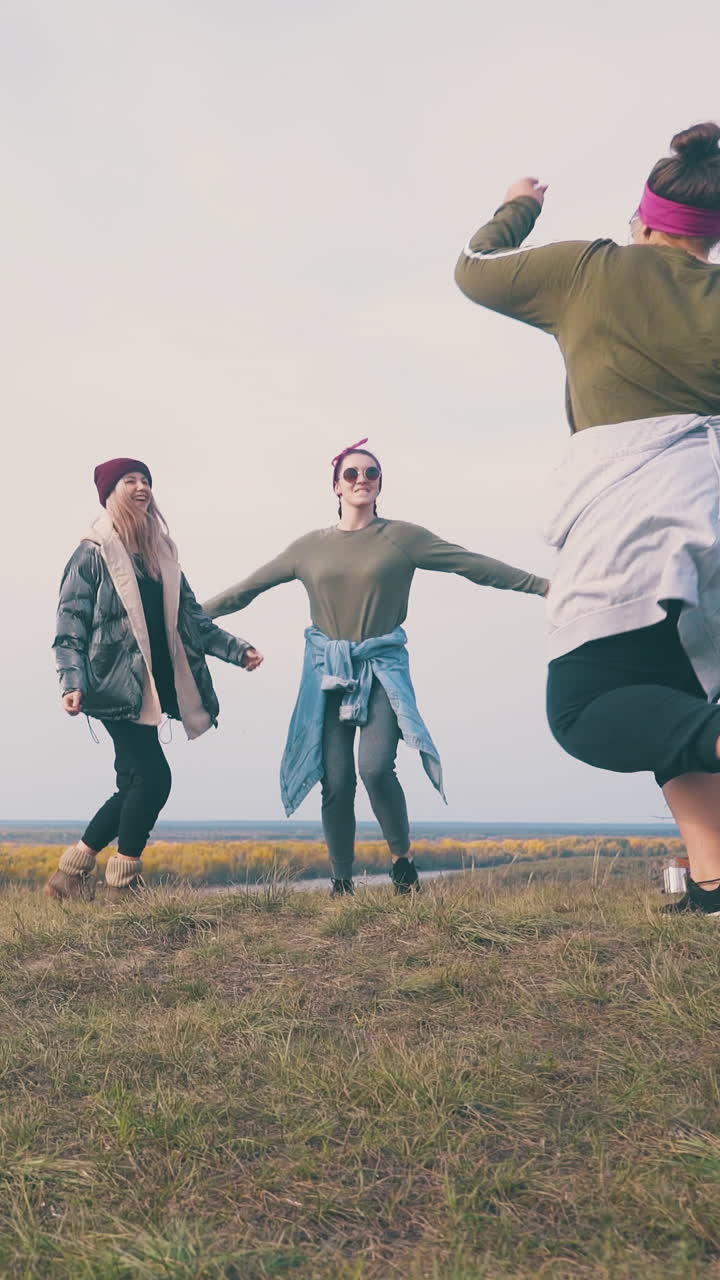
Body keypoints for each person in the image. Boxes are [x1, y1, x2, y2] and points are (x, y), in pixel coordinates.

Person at [454, 121, 720, 914]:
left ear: (643, 222)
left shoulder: (591, 269)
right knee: (669, 694)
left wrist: (515, 207)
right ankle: (714, 881)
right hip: (711, 512)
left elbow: (476, 270)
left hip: (637, 504)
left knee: (586, 708)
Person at [202, 440, 548, 895]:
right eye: (351, 474)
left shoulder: (403, 539)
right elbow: (245, 589)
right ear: (335, 486)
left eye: (370, 473)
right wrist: (186, 618)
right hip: (326, 670)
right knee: (337, 779)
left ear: (380, 484)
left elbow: (472, 565)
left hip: (381, 665)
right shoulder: (309, 547)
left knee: (375, 767)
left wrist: (542, 585)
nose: (361, 479)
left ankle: (402, 860)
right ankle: (341, 880)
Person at [48, 457, 263, 903]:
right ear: (110, 493)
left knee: (132, 783)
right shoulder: (92, 552)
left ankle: (69, 877)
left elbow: (194, 621)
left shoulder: (161, 555)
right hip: (111, 686)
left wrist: (237, 650)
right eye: (130, 480)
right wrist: (72, 683)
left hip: (152, 685)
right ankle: (121, 883)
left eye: (146, 480)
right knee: (154, 778)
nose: (142, 487)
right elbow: (70, 624)